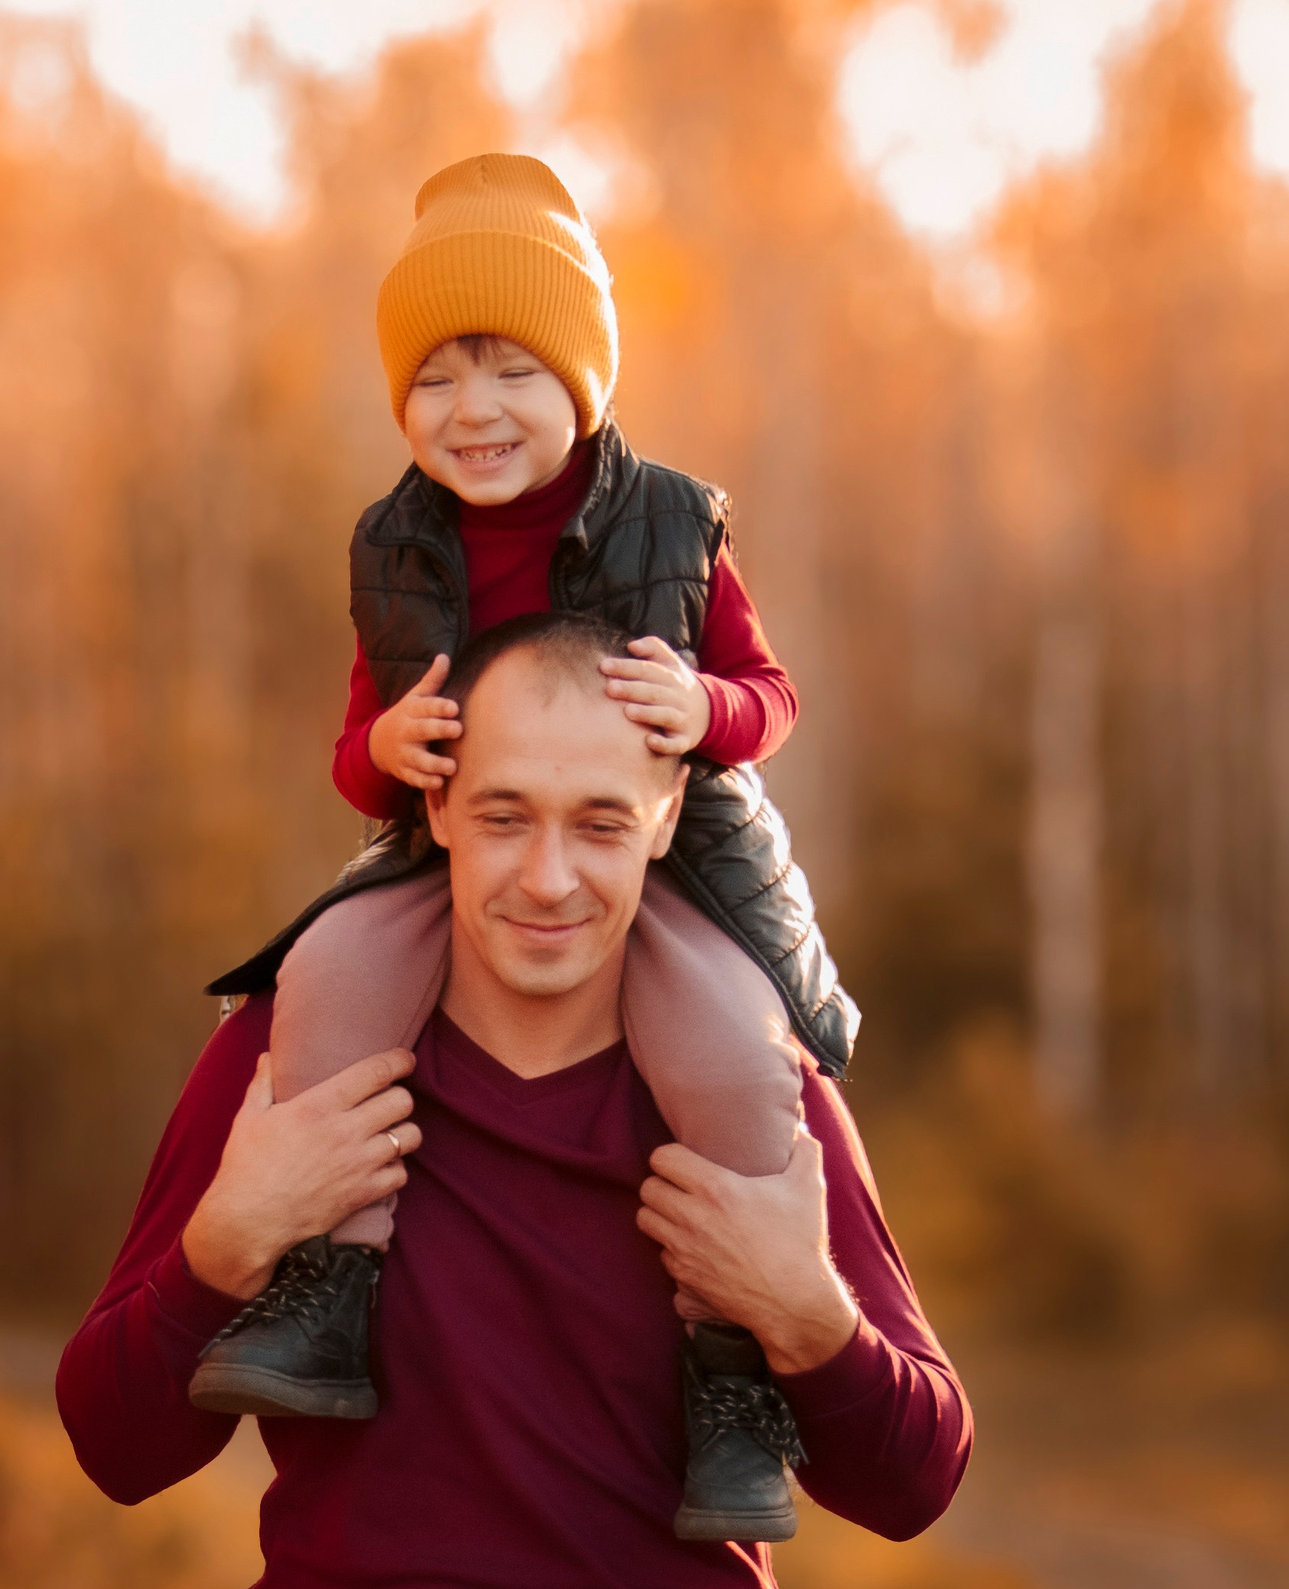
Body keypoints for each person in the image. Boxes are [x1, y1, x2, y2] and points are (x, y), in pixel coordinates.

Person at [183, 152, 859, 1542]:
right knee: (329, 972)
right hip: (451, 854)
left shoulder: (671, 516)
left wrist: (705, 707)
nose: (472, 411)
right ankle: (328, 1292)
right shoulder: (394, 544)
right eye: (433, 378)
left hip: (661, 859)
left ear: (582, 382)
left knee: (733, 1044)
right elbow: (357, 736)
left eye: (511, 371)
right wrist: (383, 758)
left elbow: (772, 696)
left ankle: (732, 1378)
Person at [56, 614, 971, 1585]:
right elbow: (117, 1451)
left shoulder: (746, 1087)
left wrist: (802, 1311)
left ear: (663, 817)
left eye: (599, 822)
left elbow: (912, 1485)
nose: (548, 878)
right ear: (438, 806)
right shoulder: (293, 1061)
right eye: (504, 816)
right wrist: (230, 1241)